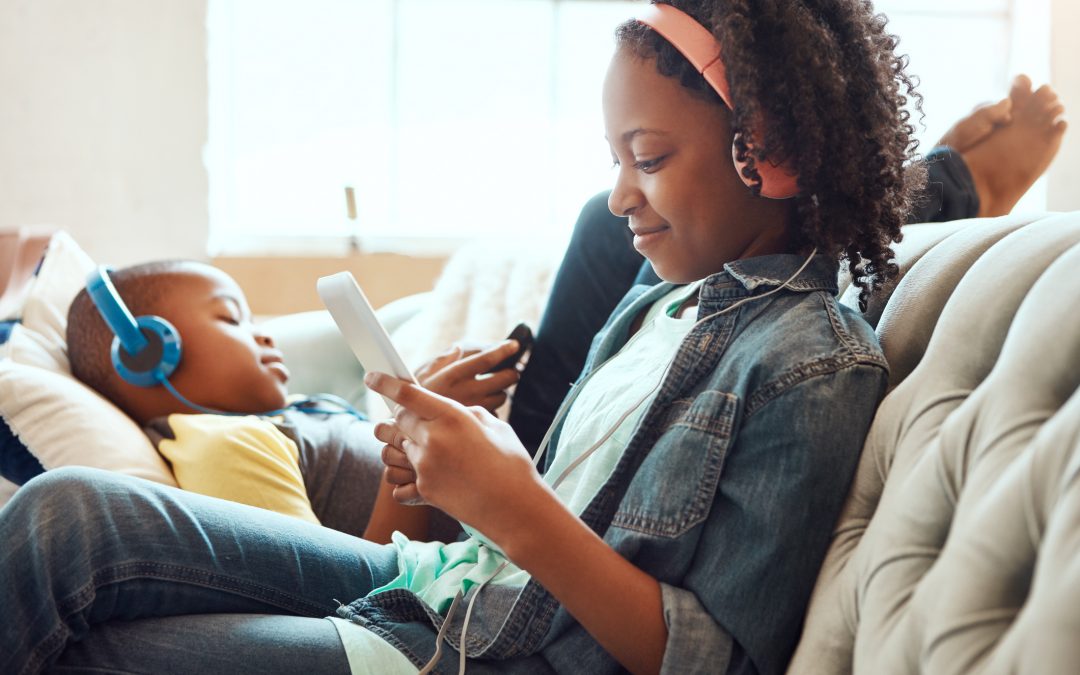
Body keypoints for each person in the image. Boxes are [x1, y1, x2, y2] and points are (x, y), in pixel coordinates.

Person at [0, 3, 1064, 675]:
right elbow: (510, 533)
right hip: (442, 594)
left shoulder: (810, 363)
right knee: (62, 516)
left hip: (490, 654)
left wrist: (509, 502)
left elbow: (709, 658)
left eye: (646, 156)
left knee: (95, 648)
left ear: (770, 155)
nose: (619, 198)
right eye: (617, 156)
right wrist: (444, 474)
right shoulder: (657, 305)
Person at [509, 73, 1067, 452]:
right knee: (686, 229)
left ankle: (918, 192)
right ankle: (927, 193)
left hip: (516, 495)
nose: (620, 192)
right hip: (528, 505)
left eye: (646, 157)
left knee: (607, 223)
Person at [62, 260, 522, 540]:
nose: (262, 331)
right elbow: (337, 593)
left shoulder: (292, 413)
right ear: (149, 355)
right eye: (231, 317)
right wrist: (410, 447)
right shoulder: (224, 444)